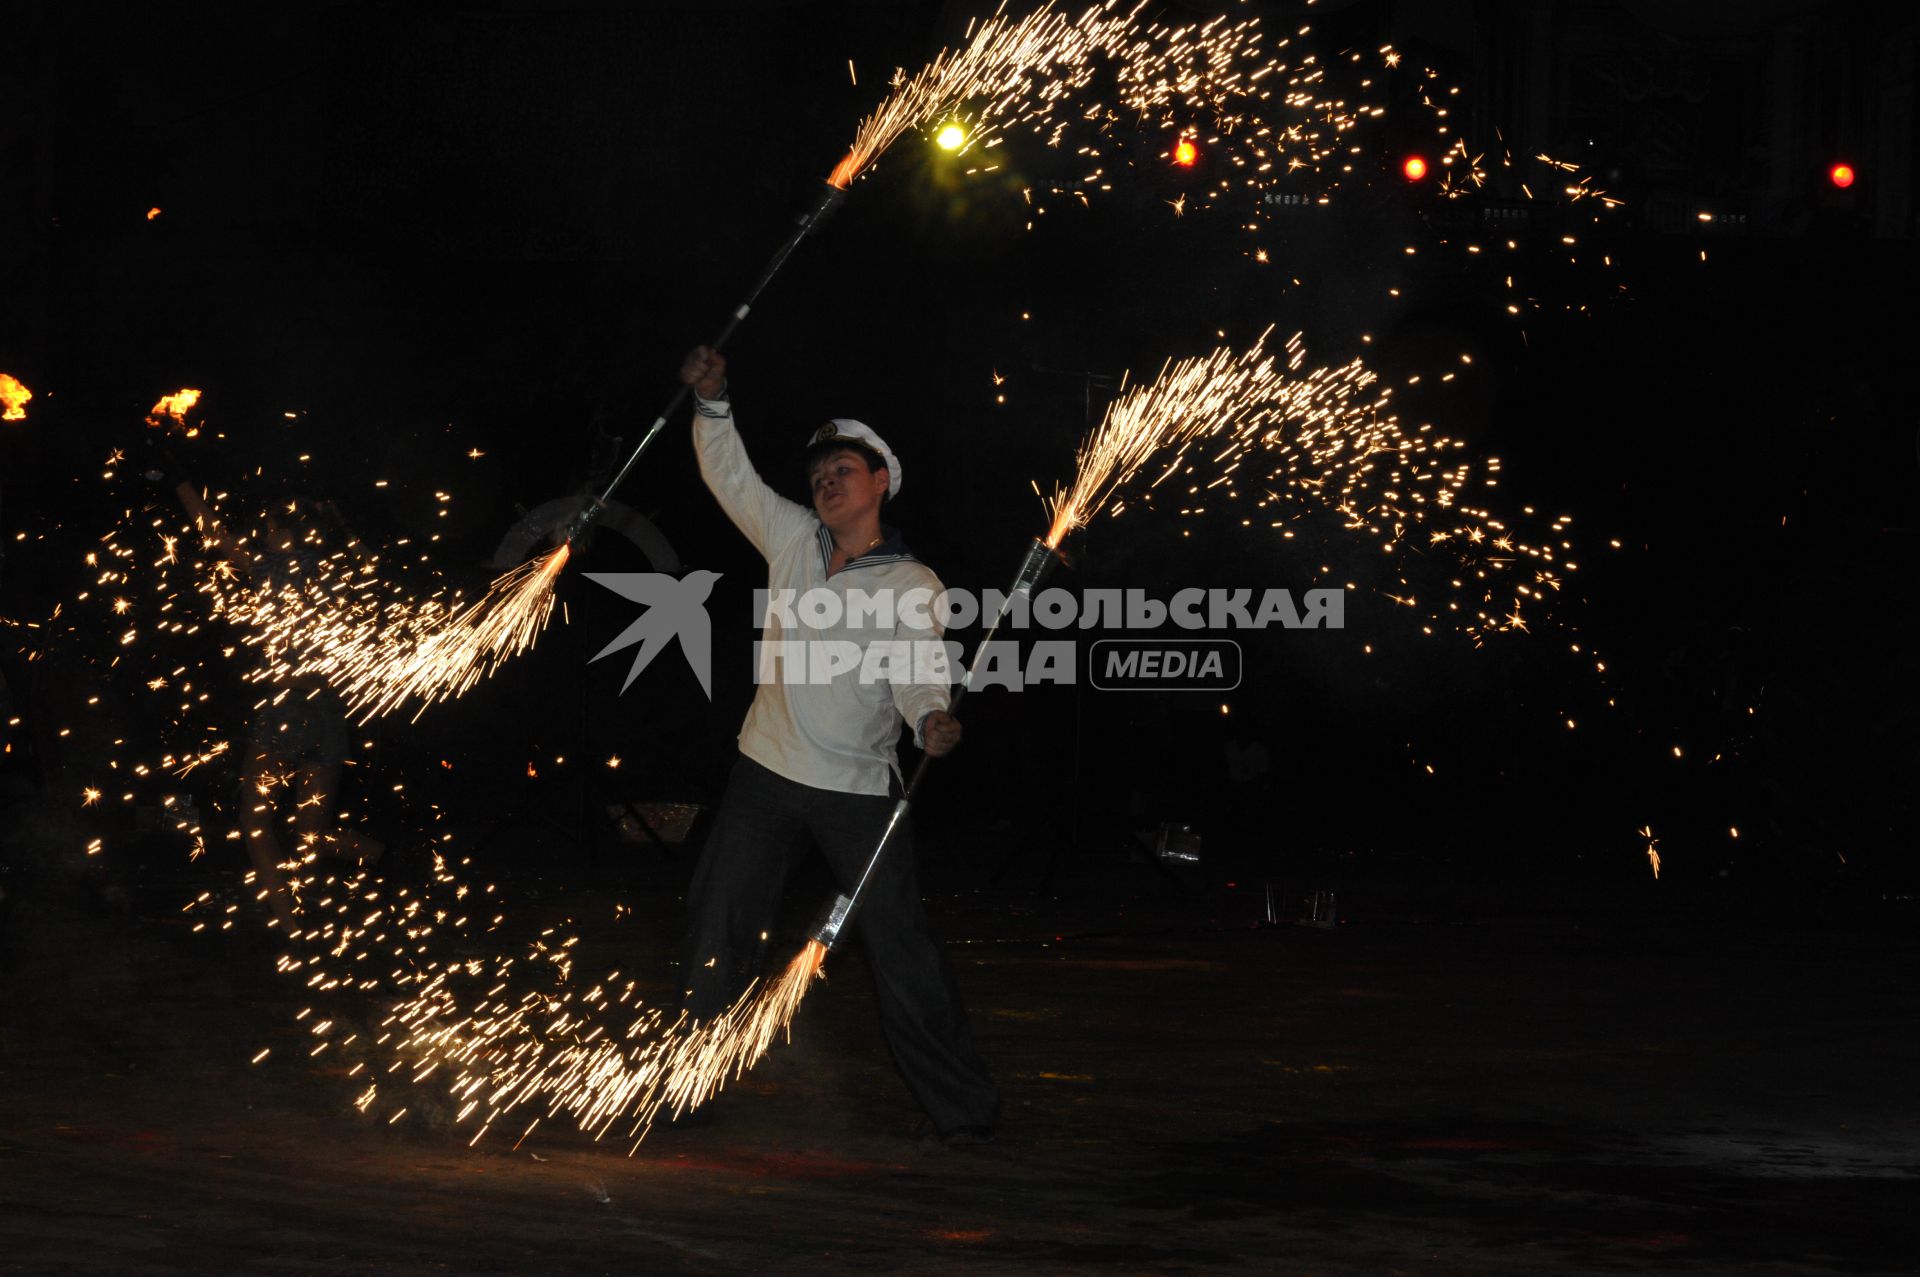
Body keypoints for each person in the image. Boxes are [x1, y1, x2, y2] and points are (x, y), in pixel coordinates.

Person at [676, 345, 999, 1145]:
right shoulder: (790, 538)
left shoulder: (910, 582)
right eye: (819, 472)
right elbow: (732, 477)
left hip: (858, 788)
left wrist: (932, 718)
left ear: (881, 479)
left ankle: (963, 1110)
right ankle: (688, 1086)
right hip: (766, 769)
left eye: (843, 469)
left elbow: (921, 672)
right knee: (716, 925)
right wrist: (713, 404)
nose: (825, 482)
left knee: (901, 949)